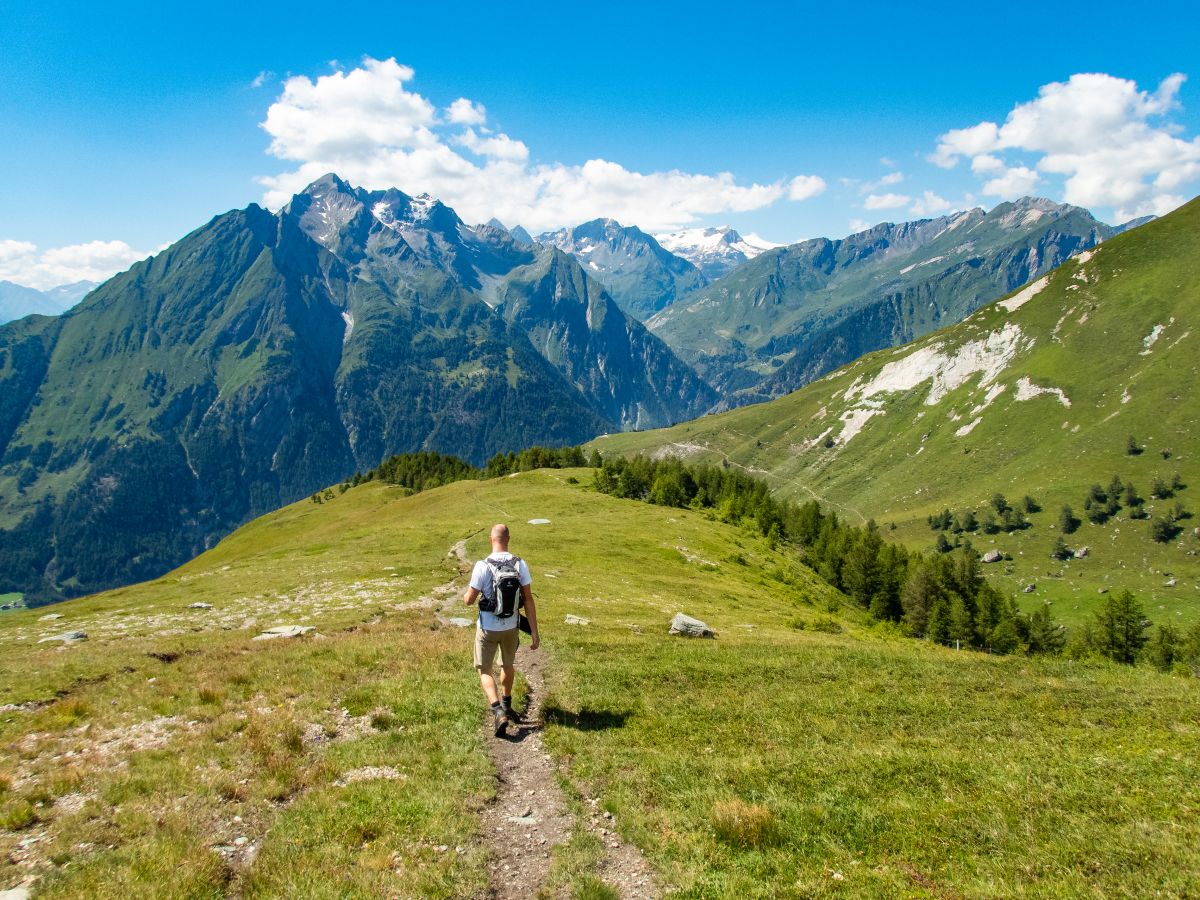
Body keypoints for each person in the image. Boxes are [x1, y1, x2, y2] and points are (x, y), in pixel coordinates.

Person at [463, 523, 539, 736]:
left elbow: (469, 600)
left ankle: (497, 711)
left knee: (484, 669)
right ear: (508, 539)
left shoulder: (482, 565)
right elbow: (528, 599)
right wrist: (534, 631)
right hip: (511, 626)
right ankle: (507, 704)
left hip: (487, 627)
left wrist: (467, 594)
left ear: (491, 539)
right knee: (507, 664)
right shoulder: (519, 564)